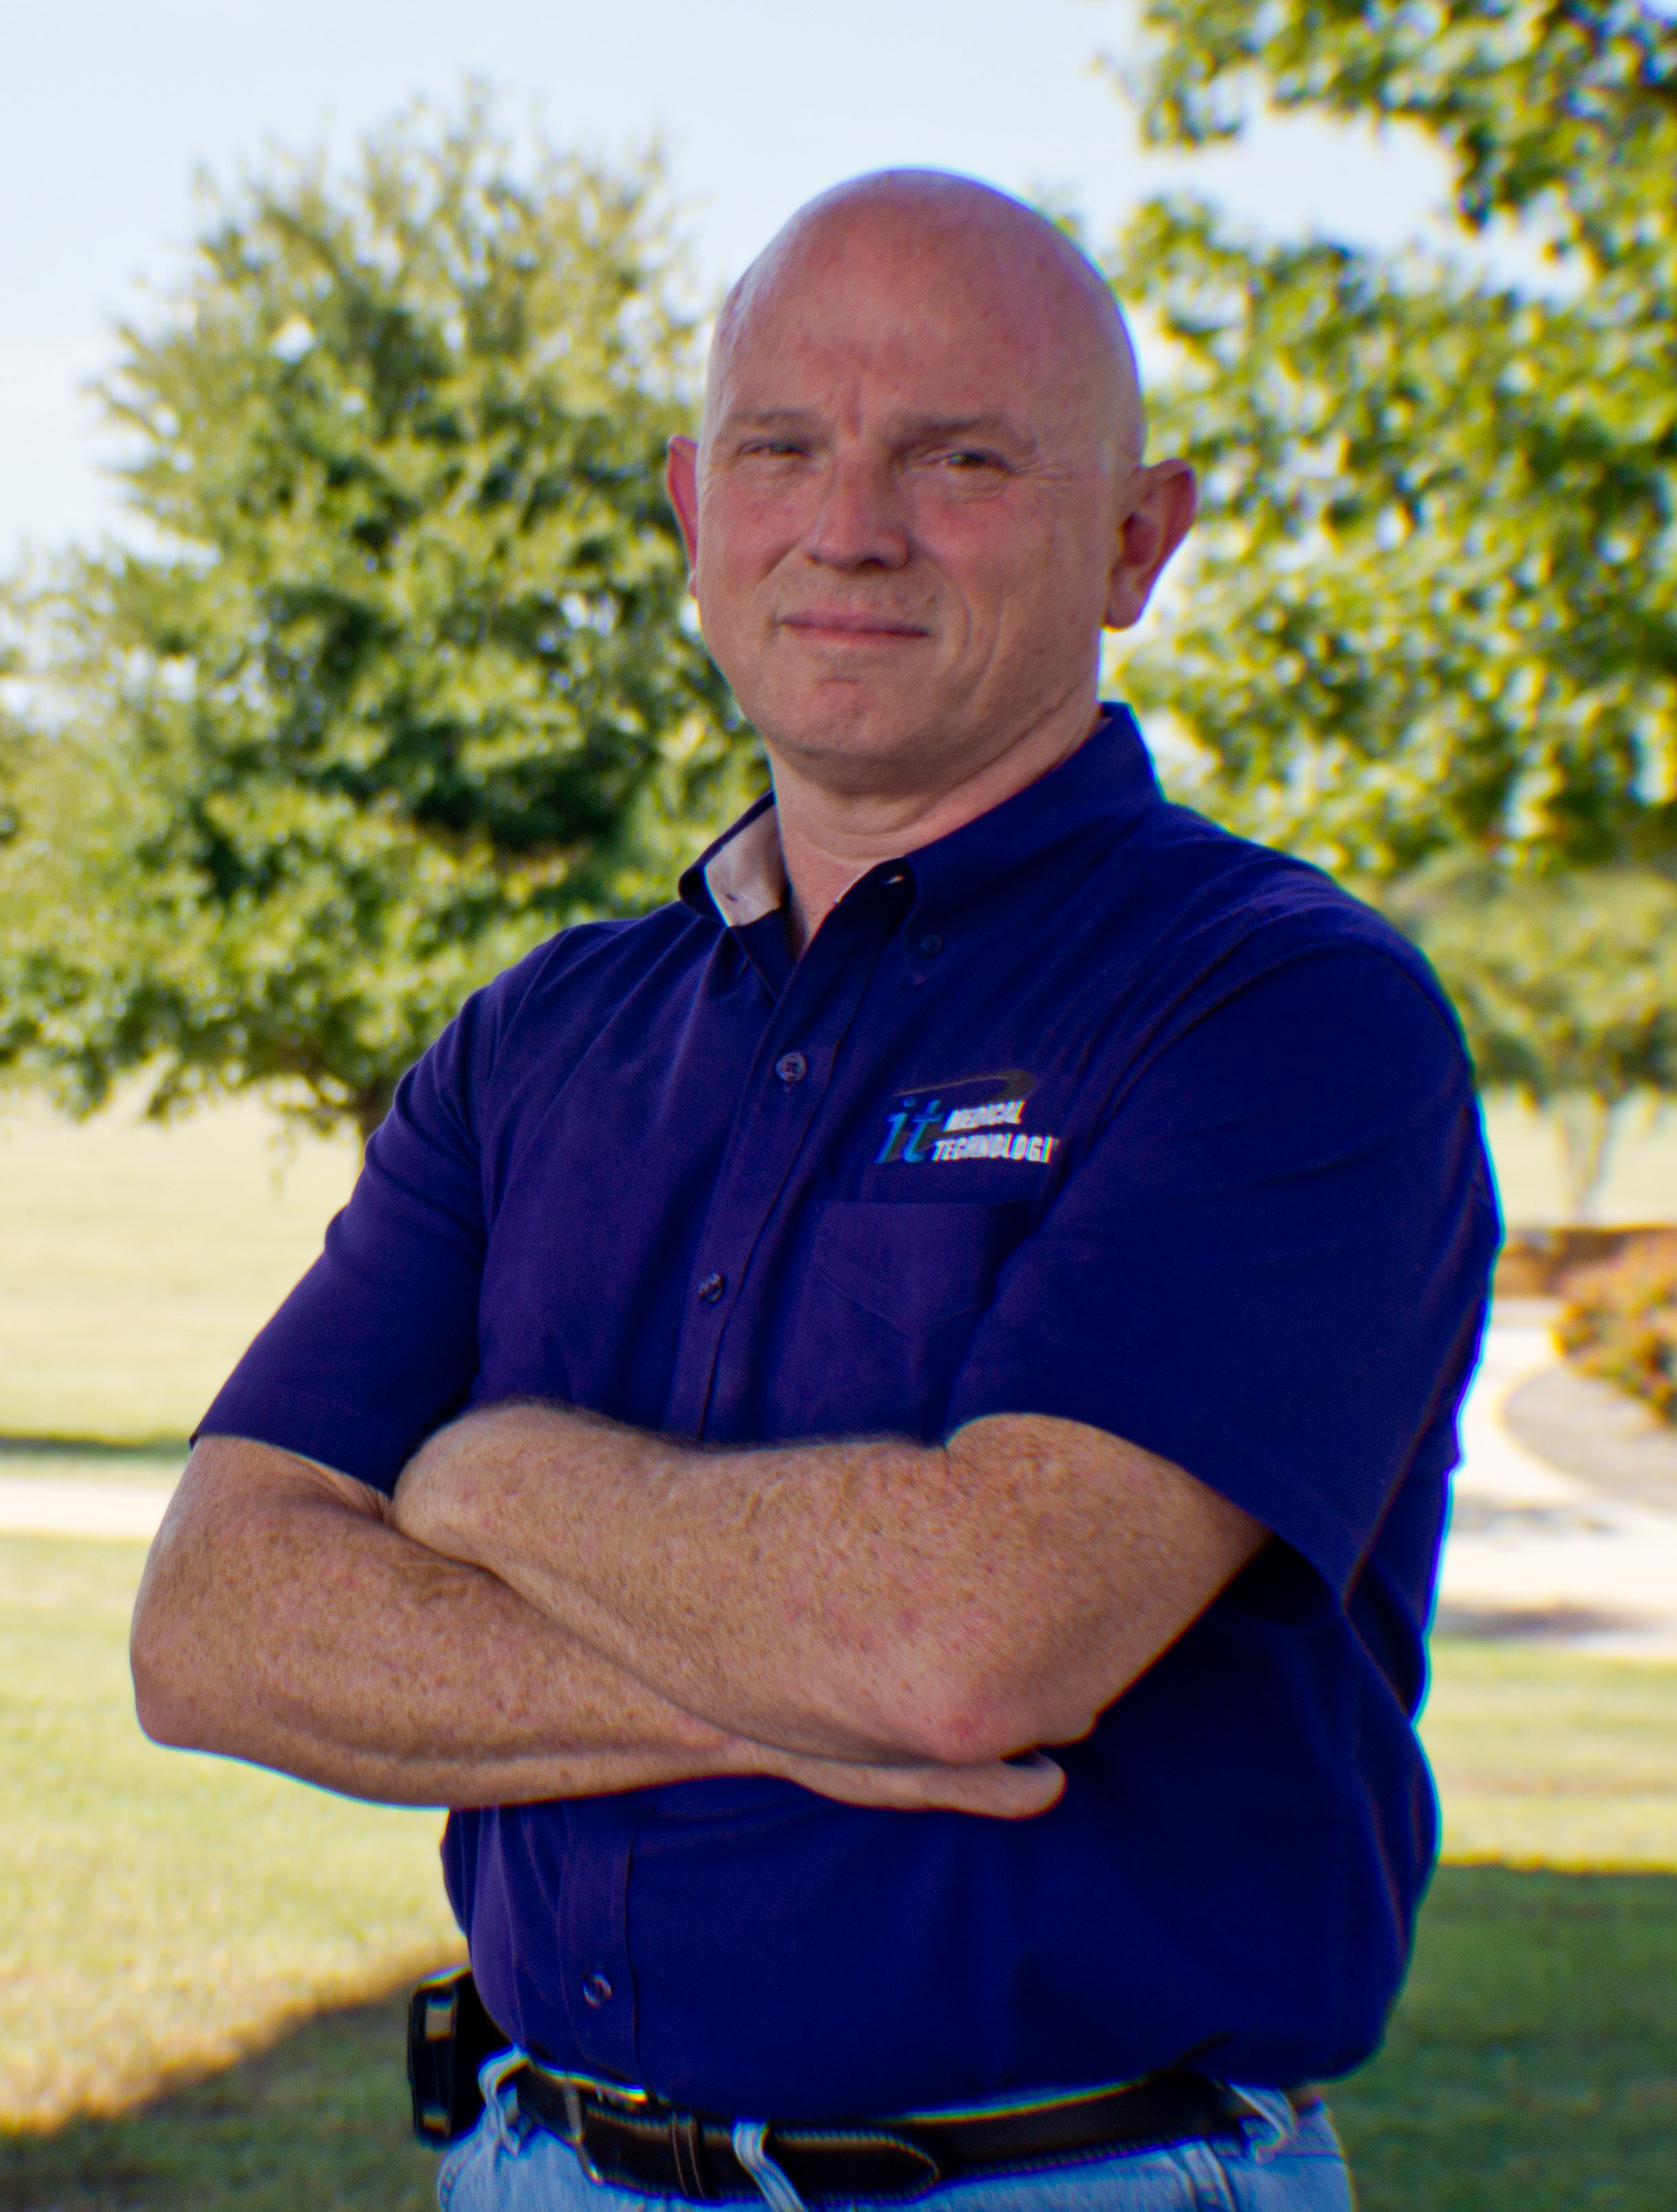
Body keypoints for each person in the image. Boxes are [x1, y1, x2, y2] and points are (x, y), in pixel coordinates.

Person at [131, 170, 1498, 2212]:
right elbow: (215, 1628)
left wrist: (491, 1480)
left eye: (960, 460)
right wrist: (798, 1689)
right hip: (534, 2166)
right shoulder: (543, 1038)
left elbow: (966, 1645)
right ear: (695, 511)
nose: (848, 526)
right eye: (781, 449)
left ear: (1137, 541)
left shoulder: (1276, 1011)